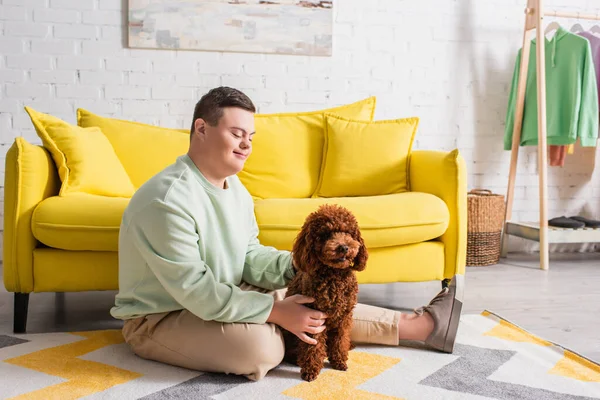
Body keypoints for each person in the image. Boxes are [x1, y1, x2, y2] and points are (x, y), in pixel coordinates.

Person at [110, 86, 463, 381]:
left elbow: (249, 255)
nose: (246, 144)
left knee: (314, 293)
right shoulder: (168, 200)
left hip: (226, 293)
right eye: (236, 133)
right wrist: (276, 311)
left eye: (250, 136)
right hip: (163, 318)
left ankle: (422, 325)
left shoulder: (235, 189)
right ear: (201, 129)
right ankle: (291, 331)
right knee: (260, 350)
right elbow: (196, 291)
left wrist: (303, 267)